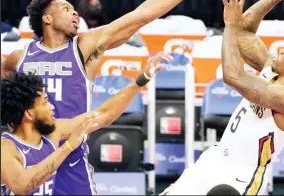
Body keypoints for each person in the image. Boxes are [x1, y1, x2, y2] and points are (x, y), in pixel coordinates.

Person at [1, 0, 229, 195]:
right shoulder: (20, 57)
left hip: (71, 157)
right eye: (66, 8)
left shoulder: (84, 47)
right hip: (29, 154)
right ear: (47, 18)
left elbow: (141, 16)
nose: (76, 13)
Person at [162, 0, 284, 195]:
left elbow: (232, 76)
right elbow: (243, 34)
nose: (282, 50)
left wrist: (229, 25)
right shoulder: (271, 68)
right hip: (214, 159)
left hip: (241, 176)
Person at [1, 52, 171, 195]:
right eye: (45, 102)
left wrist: (141, 80)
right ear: (29, 114)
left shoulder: (54, 132)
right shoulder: (6, 148)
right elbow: (22, 186)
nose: (52, 107)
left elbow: (103, 113)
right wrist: (67, 147)